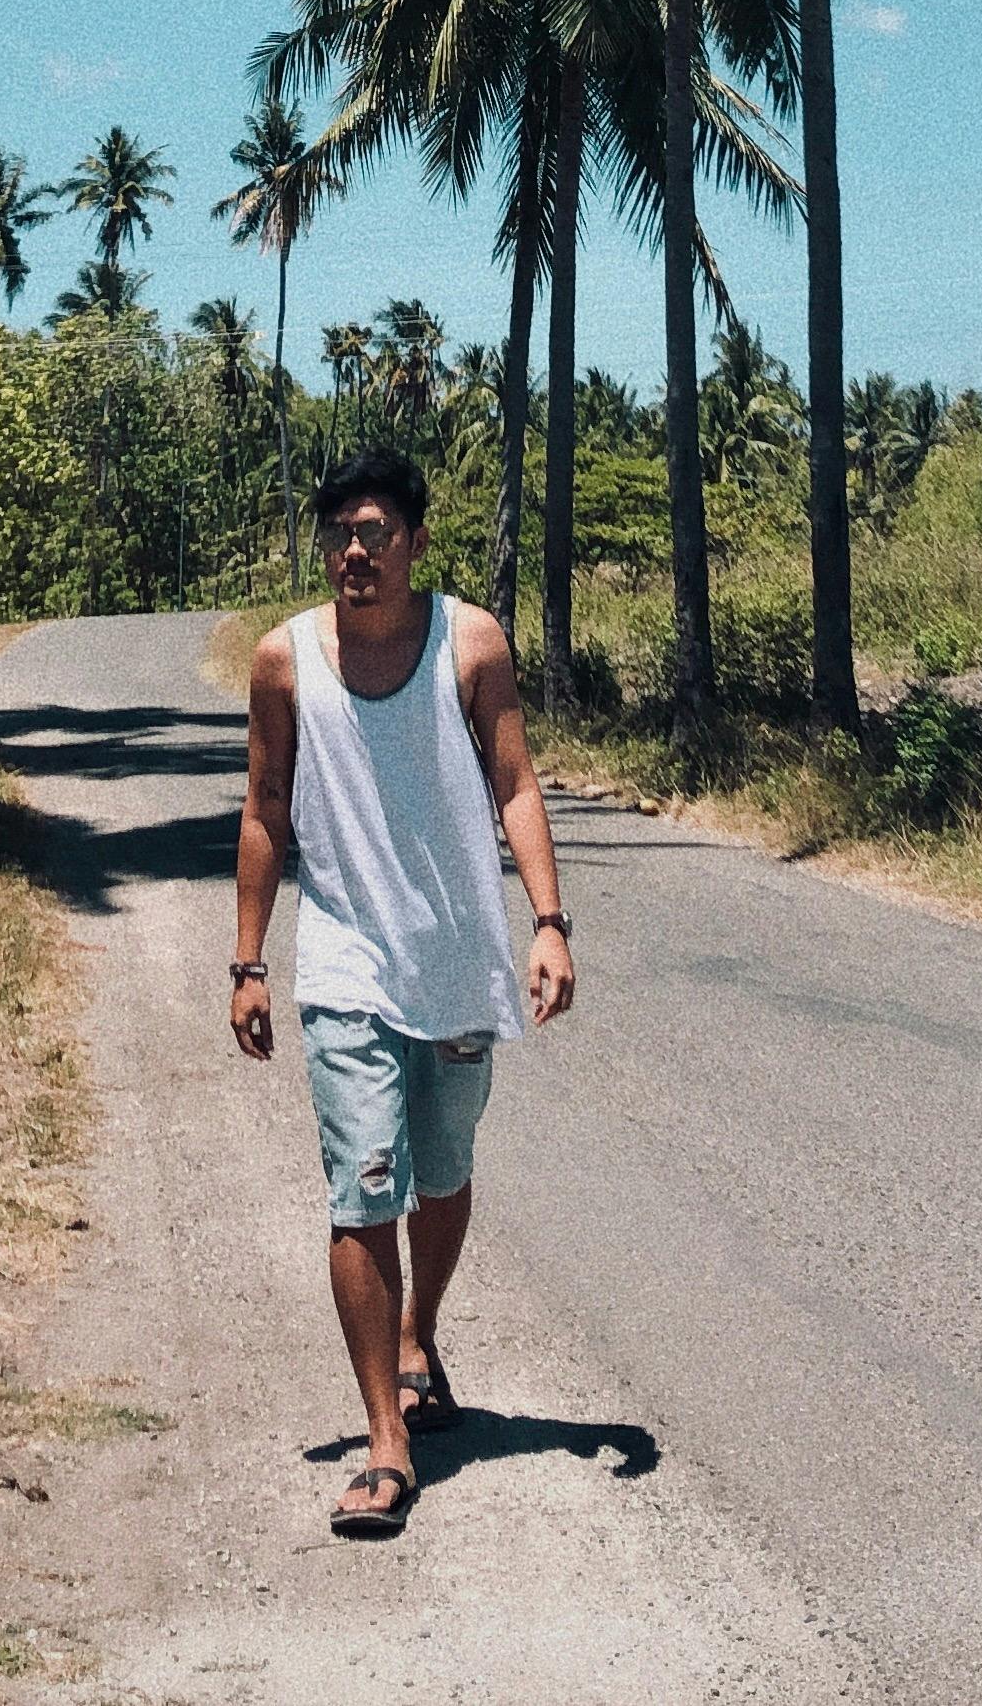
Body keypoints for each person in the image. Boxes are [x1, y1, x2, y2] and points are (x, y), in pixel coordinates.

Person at [230, 443, 576, 1538]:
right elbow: (265, 806)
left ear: (416, 542)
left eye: (377, 531)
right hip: (342, 961)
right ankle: (386, 1440)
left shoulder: (470, 642)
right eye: (340, 531)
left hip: (460, 959)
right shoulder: (283, 660)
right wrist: (248, 958)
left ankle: (421, 1325)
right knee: (363, 1182)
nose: (356, 549)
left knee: (446, 1168)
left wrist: (550, 921)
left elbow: (514, 782)